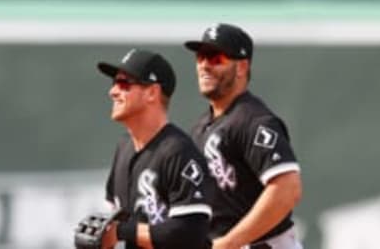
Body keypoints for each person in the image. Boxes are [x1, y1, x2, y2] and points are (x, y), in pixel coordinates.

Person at [183, 23, 303, 249]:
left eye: (216, 58)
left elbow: (288, 188)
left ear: (241, 67)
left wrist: (227, 244)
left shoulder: (253, 121)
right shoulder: (201, 127)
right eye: (200, 57)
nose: (204, 66)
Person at [97, 49, 213, 249]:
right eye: (114, 83)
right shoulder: (124, 148)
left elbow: (190, 232)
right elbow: (115, 218)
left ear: (152, 92)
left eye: (124, 83)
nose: (113, 91)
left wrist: (120, 231)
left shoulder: (178, 152)